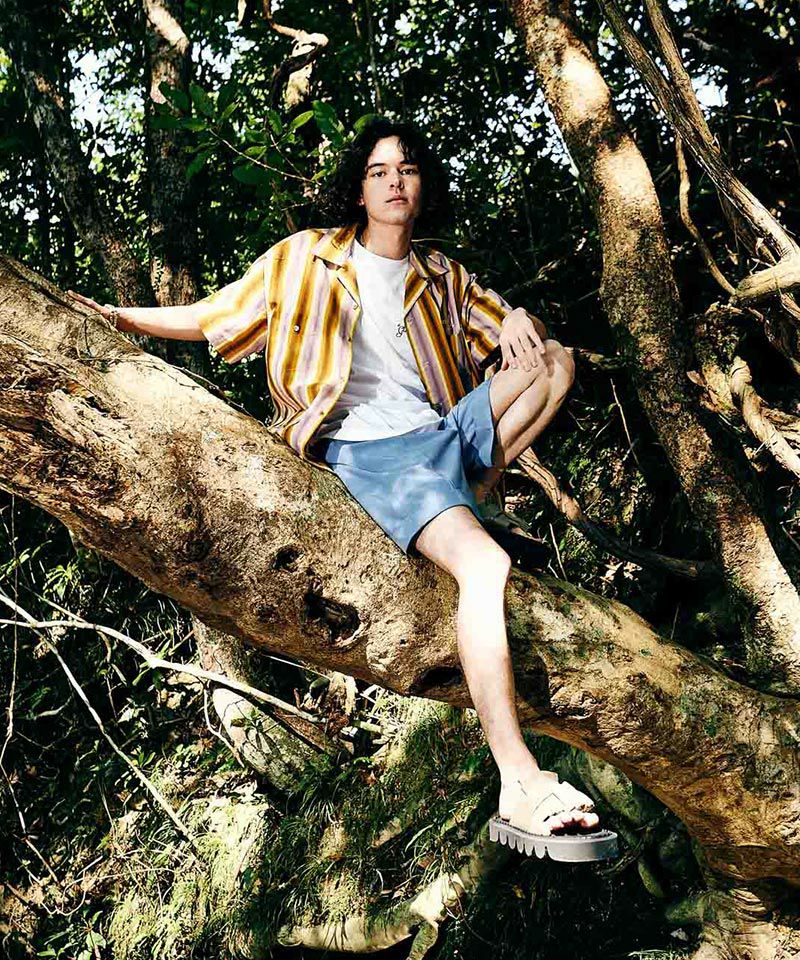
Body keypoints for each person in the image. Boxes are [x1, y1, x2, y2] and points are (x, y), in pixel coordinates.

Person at [68, 118, 609, 858]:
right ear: (359, 189)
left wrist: (521, 314)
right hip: (373, 449)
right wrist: (119, 317)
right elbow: (210, 316)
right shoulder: (305, 258)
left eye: (406, 170)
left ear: (421, 188)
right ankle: (517, 779)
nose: (394, 182)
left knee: (554, 360)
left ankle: (475, 492)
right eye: (379, 171)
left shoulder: (440, 276)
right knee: (484, 567)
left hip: (441, 433)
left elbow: (514, 338)